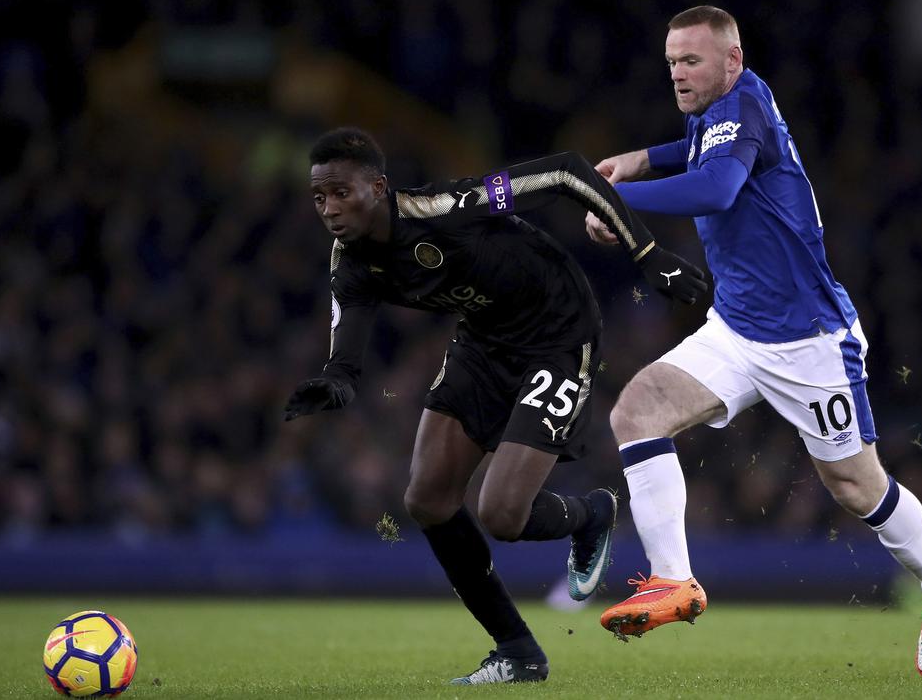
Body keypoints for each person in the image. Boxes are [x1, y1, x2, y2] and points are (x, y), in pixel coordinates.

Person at [584, 6, 922, 676]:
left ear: (730, 60)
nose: (678, 73)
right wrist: (641, 159)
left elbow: (716, 184)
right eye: (671, 61)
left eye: (692, 61)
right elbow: (699, 153)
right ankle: (675, 581)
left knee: (853, 486)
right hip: (736, 328)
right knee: (636, 410)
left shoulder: (746, 107)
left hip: (809, 340)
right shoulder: (715, 108)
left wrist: (619, 202)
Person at [284, 128, 706, 685]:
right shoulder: (351, 263)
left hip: (558, 333)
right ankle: (517, 651)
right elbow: (347, 348)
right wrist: (335, 383)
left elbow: (566, 173)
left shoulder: (446, 207)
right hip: (483, 344)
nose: (330, 209)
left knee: (502, 514)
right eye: (319, 197)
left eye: (341, 192)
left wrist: (647, 255)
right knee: (427, 499)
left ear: (379, 187)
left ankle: (592, 513)